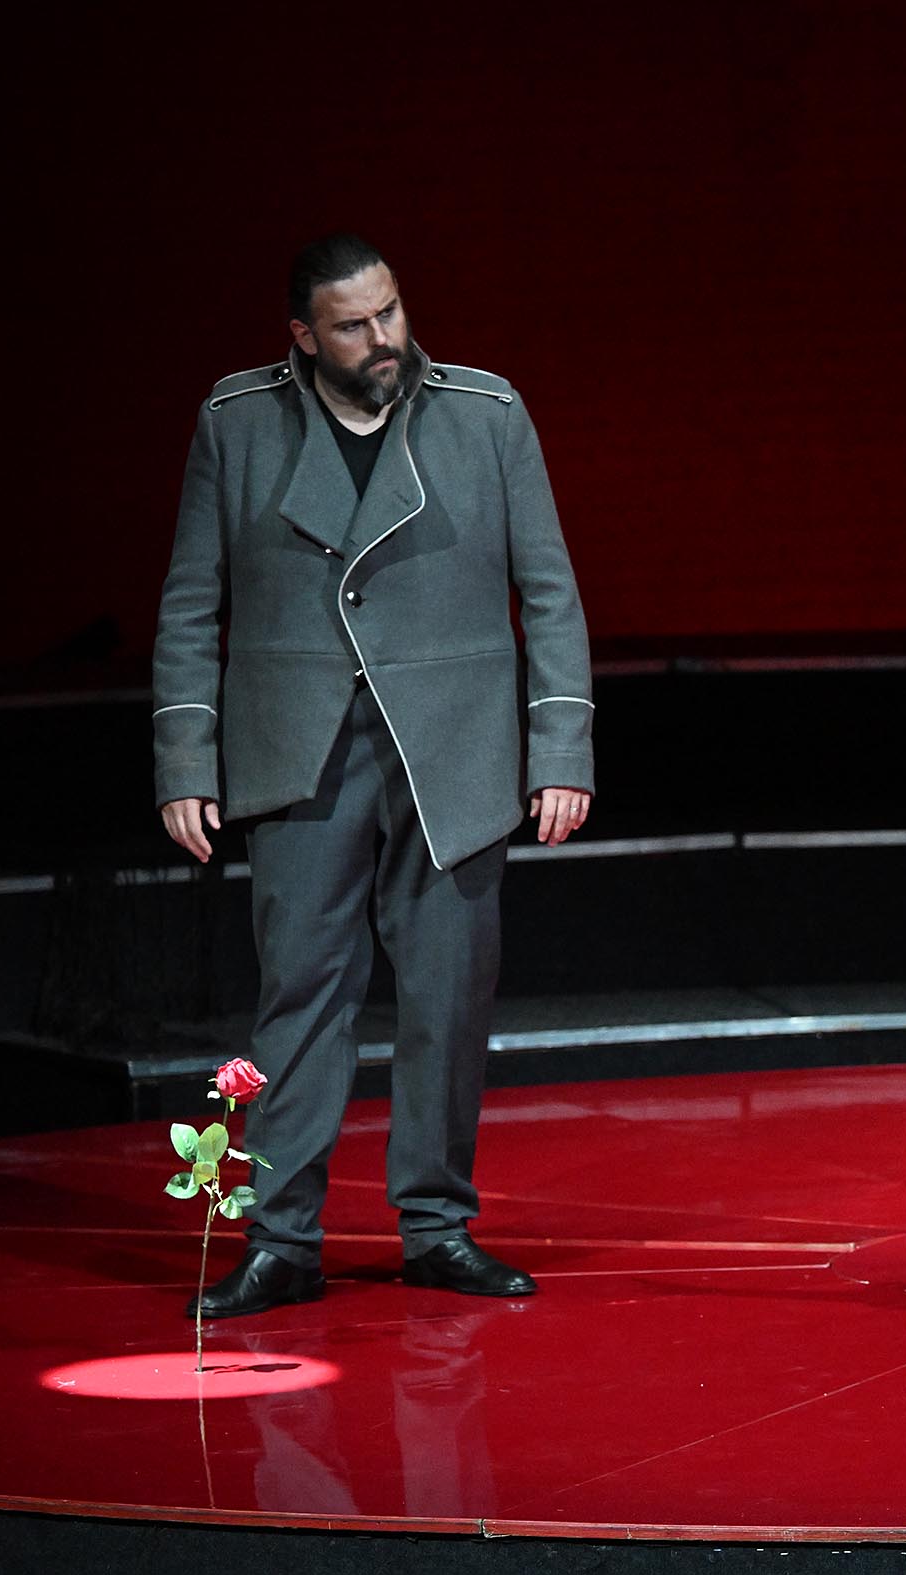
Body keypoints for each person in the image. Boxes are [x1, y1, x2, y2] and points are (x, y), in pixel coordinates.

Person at [152, 233, 595, 1317]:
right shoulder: (238, 422)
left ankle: (437, 1228)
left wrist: (559, 752)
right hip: (298, 748)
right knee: (299, 1000)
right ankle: (283, 1240)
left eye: (389, 311)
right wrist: (184, 760)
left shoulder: (485, 413)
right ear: (303, 337)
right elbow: (192, 602)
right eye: (352, 325)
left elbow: (549, 592)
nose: (383, 336)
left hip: (453, 748)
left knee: (447, 998)